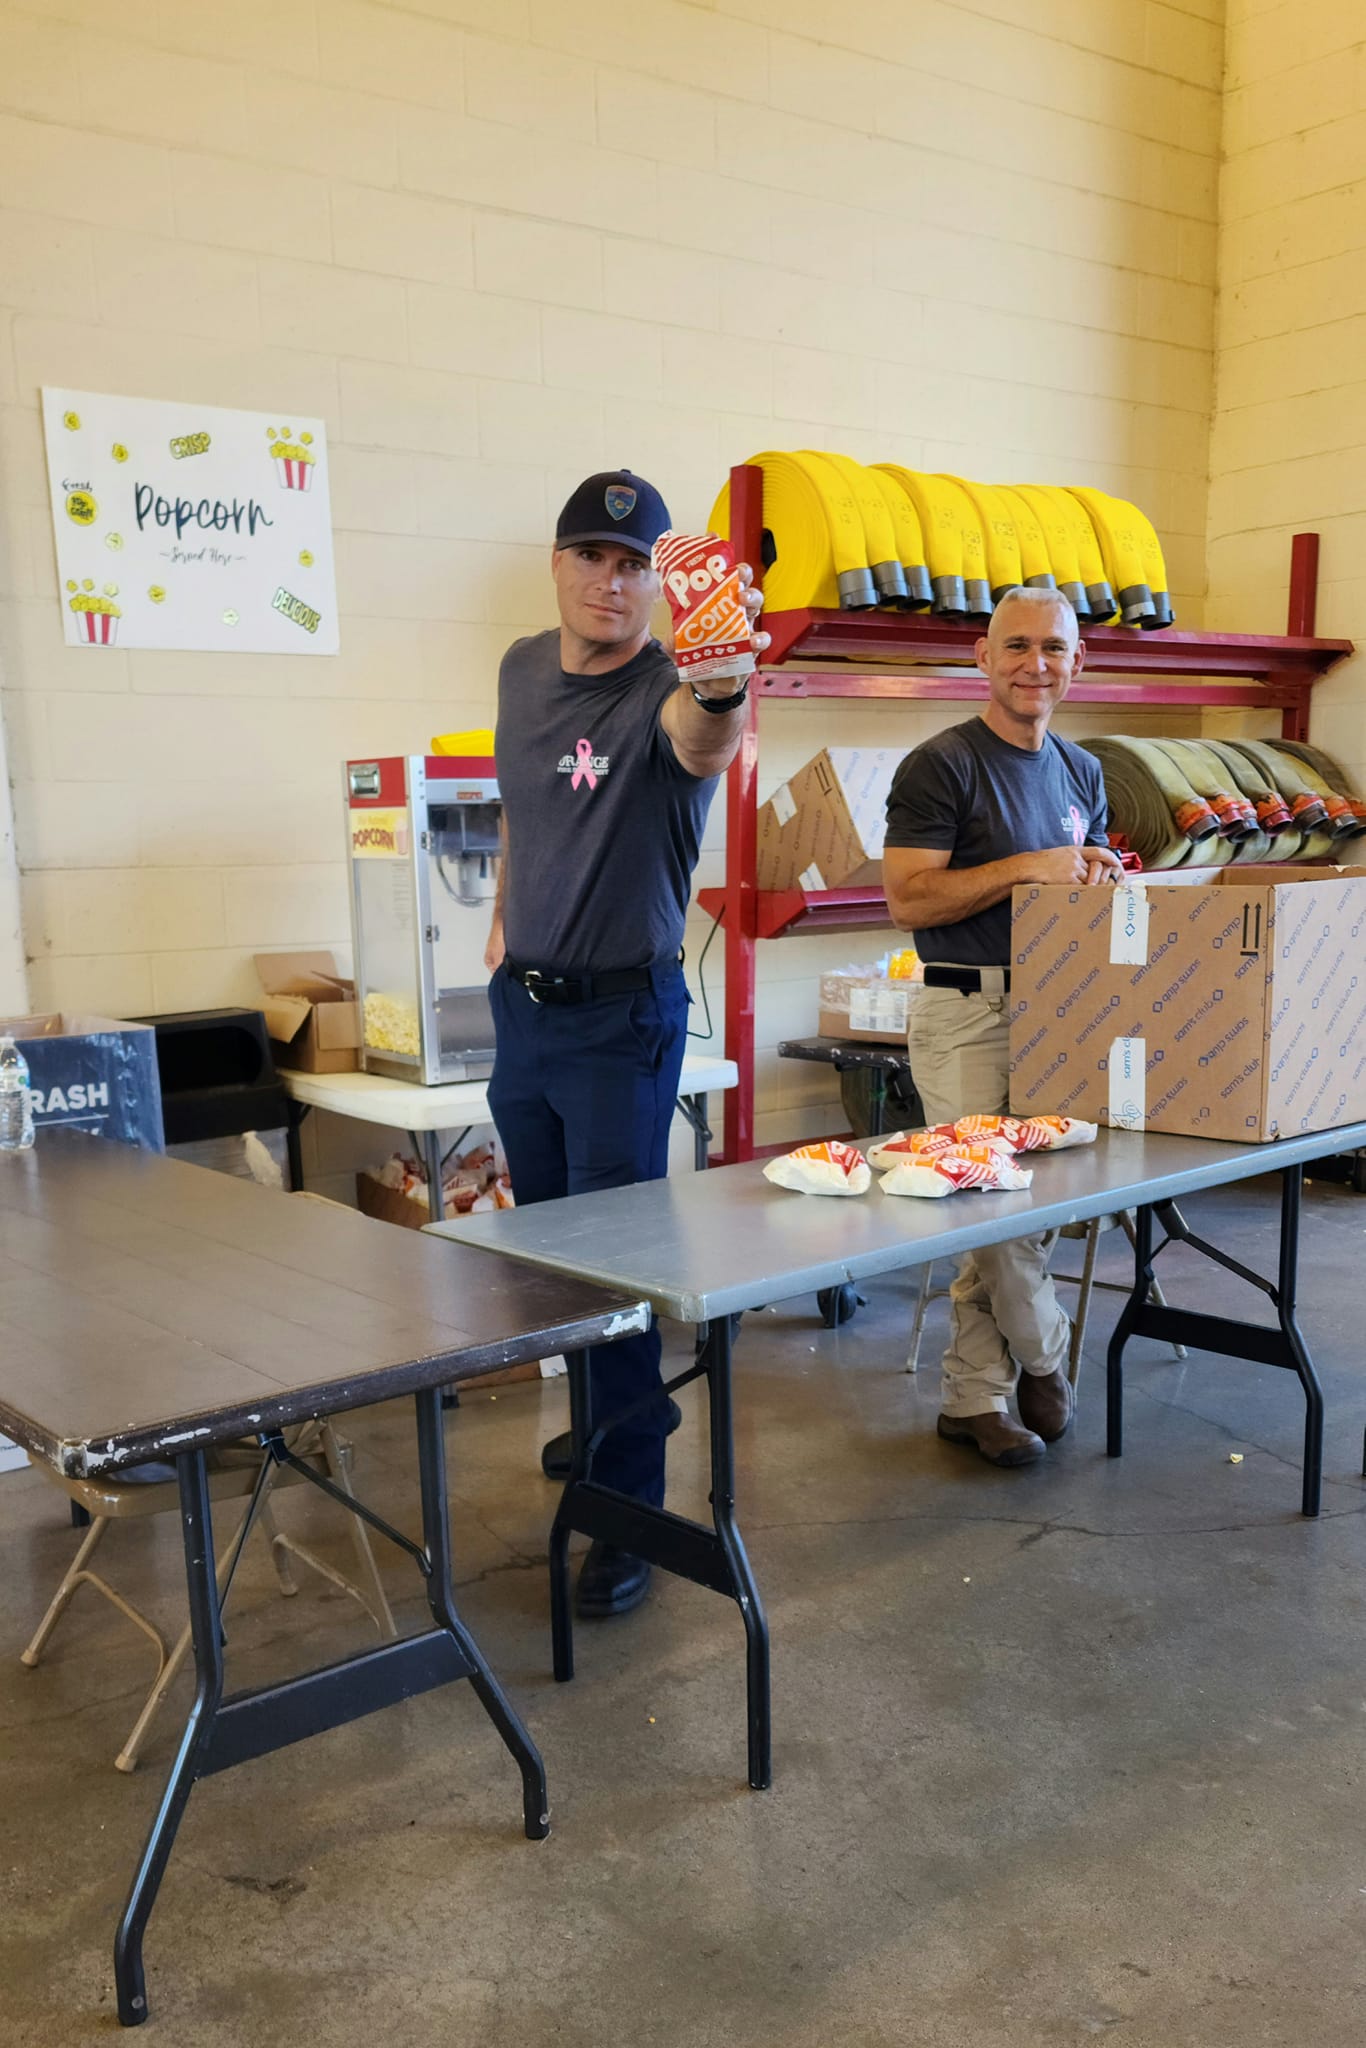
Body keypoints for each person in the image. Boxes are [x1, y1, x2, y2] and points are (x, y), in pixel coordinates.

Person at [484, 469, 763, 1616]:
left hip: (618, 1025)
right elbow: (521, 807)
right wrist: (503, 928)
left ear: (657, 584)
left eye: (634, 563)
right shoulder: (518, 669)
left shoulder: (665, 688)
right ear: (557, 564)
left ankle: (628, 1506)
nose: (611, 579)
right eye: (592, 556)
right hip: (525, 1012)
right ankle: (601, 1428)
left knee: (617, 1268)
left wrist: (723, 678)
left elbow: (704, 741)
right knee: (551, 1264)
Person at [882, 586, 1121, 1468]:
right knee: (991, 1201)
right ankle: (1047, 1360)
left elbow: (1076, 889)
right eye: (1015, 645)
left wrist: (1096, 879)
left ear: (1077, 662)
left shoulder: (1081, 771)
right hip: (966, 1011)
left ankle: (973, 1399)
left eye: (1053, 648)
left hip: (1056, 1009)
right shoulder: (941, 765)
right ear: (983, 657)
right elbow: (909, 899)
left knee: (1032, 1209)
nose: (1034, 664)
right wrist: (1032, 868)